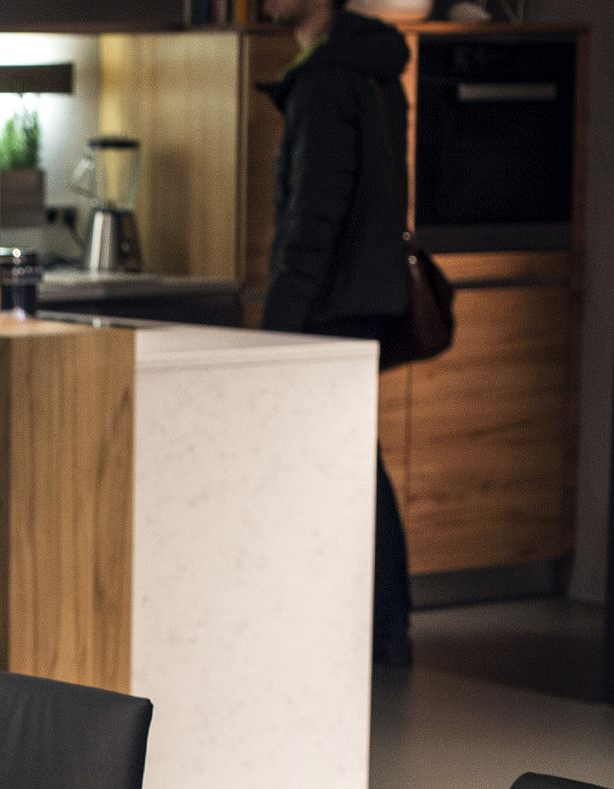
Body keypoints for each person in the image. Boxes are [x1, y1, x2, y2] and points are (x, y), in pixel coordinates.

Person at [260, 0, 415, 667]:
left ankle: (377, 628)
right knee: (355, 462)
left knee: (348, 466)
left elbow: (311, 221)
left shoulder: (328, 79)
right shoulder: (369, 64)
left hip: (330, 303)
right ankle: (380, 625)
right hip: (364, 295)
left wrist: (275, 332)